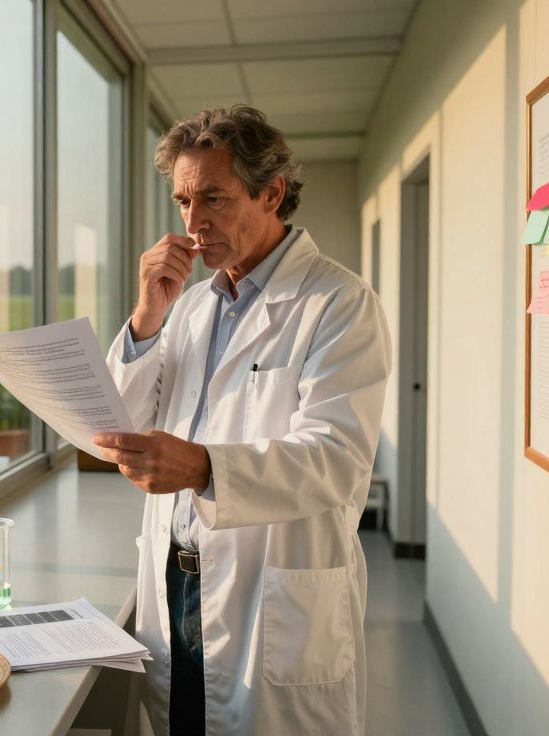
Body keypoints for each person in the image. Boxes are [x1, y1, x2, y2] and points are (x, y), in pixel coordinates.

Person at [93, 105, 391, 736]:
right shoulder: (192, 304)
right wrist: (147, 316)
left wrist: (202, 466)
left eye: (214, 199)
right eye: (182, 202)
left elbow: (337, 457)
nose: (194, 225)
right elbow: (124, 416)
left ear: (272, 193)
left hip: (269, 592)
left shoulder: (337, 304)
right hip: (177, 580)